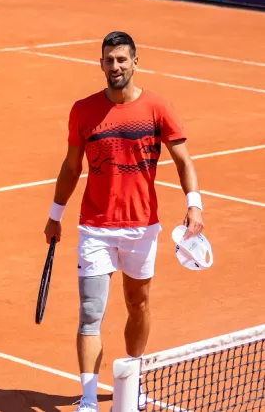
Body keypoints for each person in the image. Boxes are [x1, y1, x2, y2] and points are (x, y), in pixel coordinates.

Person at [43, 32, 205, 412]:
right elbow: (71, 167)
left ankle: (130, 385)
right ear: (100, 64)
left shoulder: (158, 108)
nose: (114, 67)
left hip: (141, 227)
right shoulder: (83, 110)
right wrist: (54, 216)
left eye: (121, 60)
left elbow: (184, 161)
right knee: (90, 310)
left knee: (138, 304)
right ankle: (87, 400)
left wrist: (194, 205)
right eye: (108, 60)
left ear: (135, 62)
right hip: (95, 227)